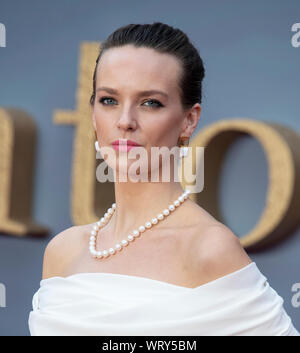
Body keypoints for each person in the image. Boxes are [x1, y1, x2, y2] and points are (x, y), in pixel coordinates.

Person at [28, 22, 299, 336]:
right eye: (109, 100)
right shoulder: (63, 251)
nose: (125, 121)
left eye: (150, 103)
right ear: (92, 113)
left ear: (189, 120)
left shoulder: (208, 249)